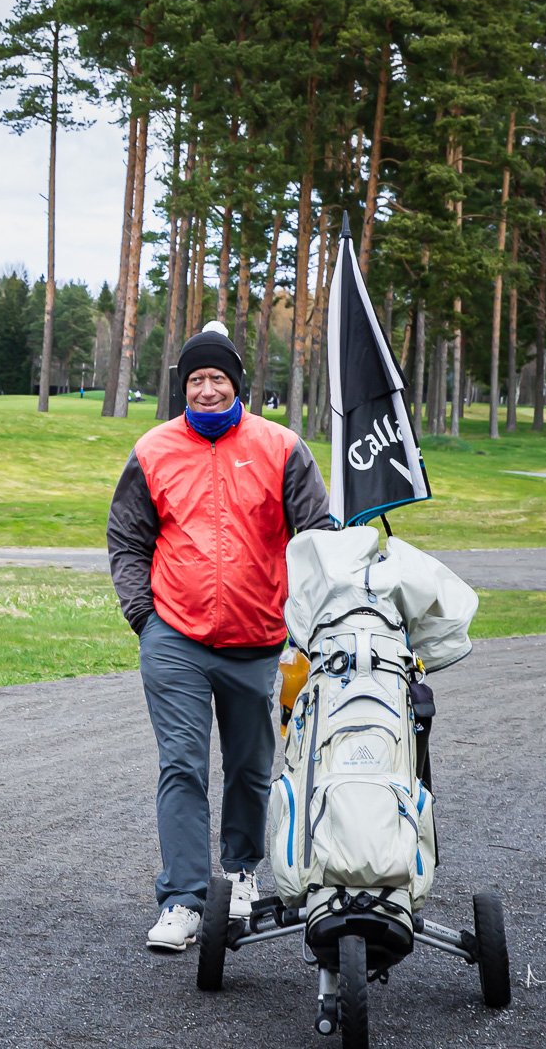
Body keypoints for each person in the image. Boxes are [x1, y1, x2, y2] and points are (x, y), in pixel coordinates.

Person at [106, 323, 331, 953]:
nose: (206, 390)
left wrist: (308, 620)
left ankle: (238, 875)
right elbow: (127, 539)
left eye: (218, 379)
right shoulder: (153, 449)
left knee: (252, 768)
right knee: (181, 765)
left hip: (259, 640)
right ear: (183, 387)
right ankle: (181, 899)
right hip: (174, 636)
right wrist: (143, 618)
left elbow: (318, 539)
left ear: (238, 385)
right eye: (196, 380)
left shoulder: (283, 448)